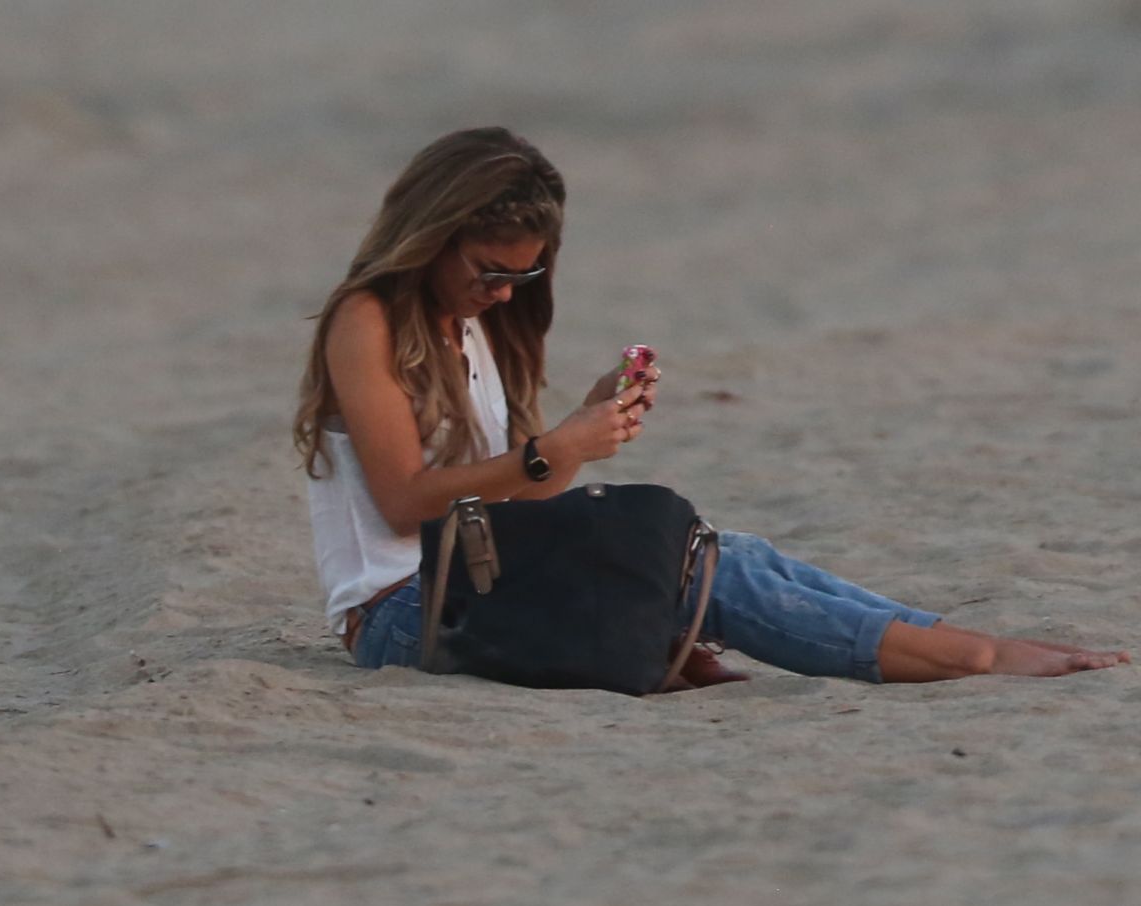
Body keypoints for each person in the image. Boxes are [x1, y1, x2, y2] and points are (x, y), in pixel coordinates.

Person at [293, 126, 1129, 687]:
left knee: (722, 551)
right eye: (488, 269)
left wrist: (584, 435)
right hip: (399, 617)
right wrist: (553, 448)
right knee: (697, 571)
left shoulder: (470, 328)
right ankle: (974, 656)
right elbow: (406, 503)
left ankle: (944, 637)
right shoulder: (365, 322)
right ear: (430, 235)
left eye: (525, 275)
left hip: (466, 582)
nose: (504, 291)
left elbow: (518, 502)